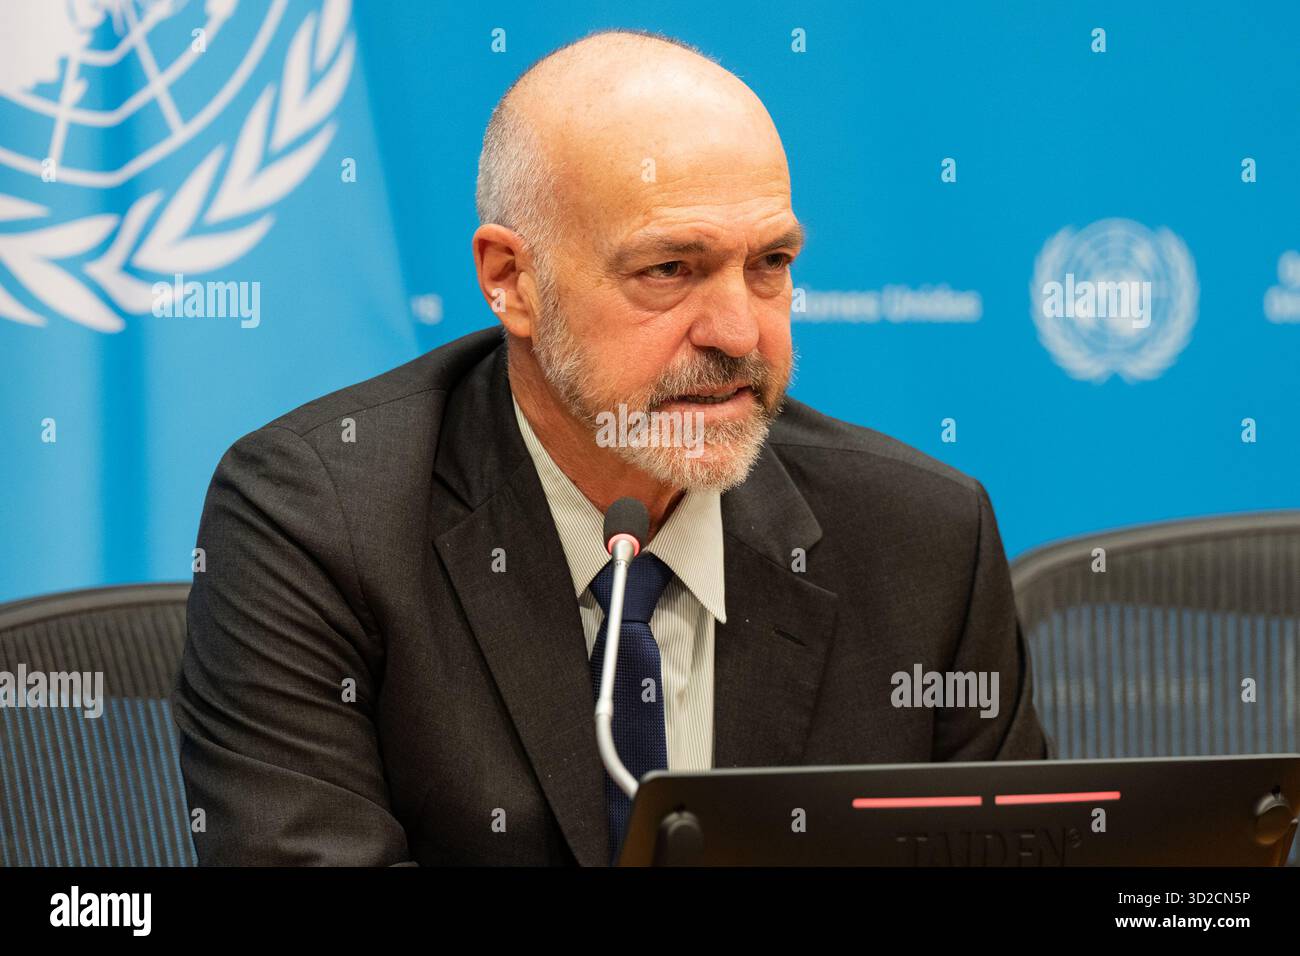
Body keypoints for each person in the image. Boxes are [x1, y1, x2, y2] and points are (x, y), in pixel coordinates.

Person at [172, 28, 1048, 867]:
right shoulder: (317, 518)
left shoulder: (921, 534)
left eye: (770, 263)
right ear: (511, 280)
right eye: (669, 270)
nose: (740, 332)